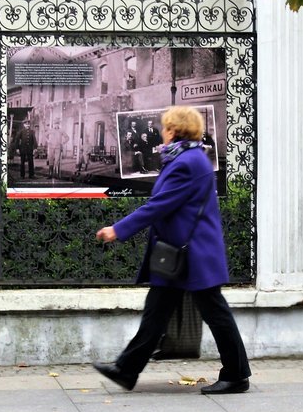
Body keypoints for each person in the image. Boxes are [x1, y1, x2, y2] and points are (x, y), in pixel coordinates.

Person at [94, 105, 251, 395]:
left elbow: (160, 204)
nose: (161, 132)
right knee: (156, 312)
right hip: (179, 252)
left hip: (193, 253)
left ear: (175, 130)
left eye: (165, 127)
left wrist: (119, 229)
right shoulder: (184, 158)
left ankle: (237, 375)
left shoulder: (188, 162)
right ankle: (126, 370)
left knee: (215, 313)